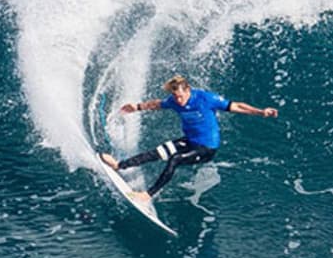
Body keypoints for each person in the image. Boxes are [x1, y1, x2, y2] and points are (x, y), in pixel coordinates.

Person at [100, 74, 278, 199]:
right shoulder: (174, 100)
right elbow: (157, 104)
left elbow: (237, 106)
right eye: (175, 96)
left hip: (207, 148)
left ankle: (147, 195)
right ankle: (119, 166)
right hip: (189, 141)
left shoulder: (206, 99)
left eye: (180, 96)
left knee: (175, 160)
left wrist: (261, 112)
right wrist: (137, 107)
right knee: (157, 152)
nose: (178, 100)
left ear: (188, 90)